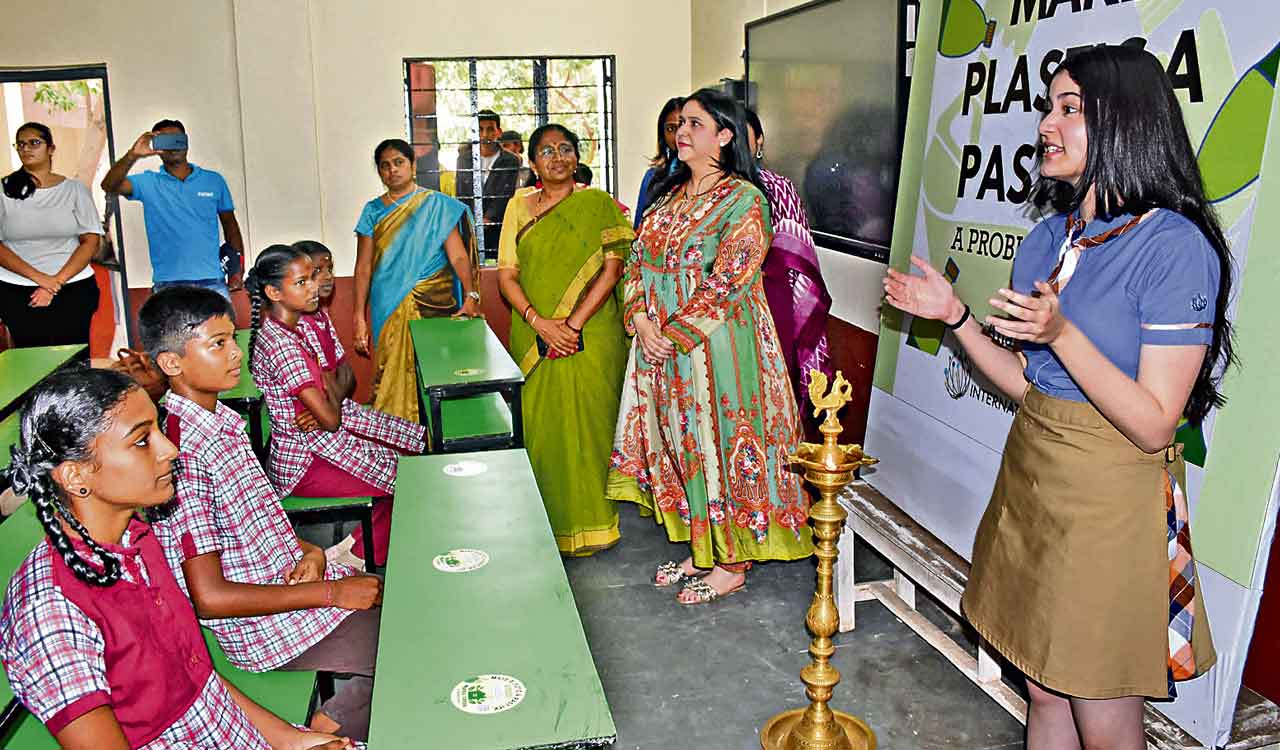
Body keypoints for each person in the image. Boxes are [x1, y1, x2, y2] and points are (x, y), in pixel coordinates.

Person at [884, 46, 1228, 748]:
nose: (1046, 123)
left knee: (1098, 703)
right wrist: (954, 317)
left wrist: (1064, 332)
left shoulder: (1173, 246)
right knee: (1041, 686)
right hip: (1032, 476)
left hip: (1108, 499)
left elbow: (1153, 423)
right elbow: (1025, 381)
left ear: (1125, 123)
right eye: (1048, 106)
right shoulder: (1047, 238)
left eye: (1070, 109)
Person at [0, 367, 356, 750]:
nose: (170, 449)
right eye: (142, 441)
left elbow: (199, 681)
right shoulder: (50, 608)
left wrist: (291, 742)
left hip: (230, 731)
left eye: (159, 430)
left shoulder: (137, 540)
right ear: (75, 476)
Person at [138, 287, 384, 741]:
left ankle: (335, 721)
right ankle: (330, 727)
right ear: (171, 363)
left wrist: (309, 550)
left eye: (234, 338)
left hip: (296, 588)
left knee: (402, 605)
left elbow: (259, 523)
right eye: (218, 343)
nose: (236, 353)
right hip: (267, 629)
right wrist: (332, 592)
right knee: (410, 639)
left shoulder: (223, 423)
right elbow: (209, 596)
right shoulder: (183, 455)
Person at [608, 89, 812, 604]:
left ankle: (733, 561)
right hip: (661, 350)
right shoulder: (669, 198)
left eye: (695, 124)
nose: (681, 132)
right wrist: (639, 320)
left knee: (718, 446)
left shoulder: (744, 199)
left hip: (719, 350)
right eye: (680, 124)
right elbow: (635, 264)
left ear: (725, 136)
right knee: (682, 446)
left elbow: (729, 282)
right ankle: (704, 546)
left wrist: (670, 335)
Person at [497, 124, 634, 556]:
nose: (557, 157)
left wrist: (571, 326)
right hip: (535, 333)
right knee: (543, 428)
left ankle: (595, 523)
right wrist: (540, 322)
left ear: (577, 157)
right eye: (546, 151)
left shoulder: (598, 204)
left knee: (592, 426)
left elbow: (613, 270)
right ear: (533, 162)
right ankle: (546, 524)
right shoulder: (518, 208)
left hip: (591, 334)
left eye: (565, 149)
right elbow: (507, 274)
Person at [246, 244, 426, 569]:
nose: (315, 286)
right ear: (273, 291)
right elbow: (329, 419)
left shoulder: (291, 331)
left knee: (408, 467)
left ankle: (350, 554)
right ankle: (356, 560)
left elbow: (340, 384)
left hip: (321, 443)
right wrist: (328, 398)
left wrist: (328, 394)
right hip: (306, 462)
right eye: (302, 282)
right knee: (412, 482)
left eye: (311, 278)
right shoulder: (282, 343)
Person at [352, 138, 481, 422]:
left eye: (398, 162)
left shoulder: (435, 206)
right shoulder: (373, 211)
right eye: (385, 166)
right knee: (391, 374)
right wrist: (358, 317)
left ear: (412, 166)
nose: (392, 170)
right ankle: (396, 440)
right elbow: (363, 268)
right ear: (379, 172)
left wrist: (472, 296)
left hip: (435, 302)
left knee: (437, 371)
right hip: (389, 305)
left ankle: (439, 440)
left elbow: (459, 257)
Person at [744, 108, 833, 414]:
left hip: (771, 307)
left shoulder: (778, 188)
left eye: (746, 136)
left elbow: (799, 264)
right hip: (718, 313)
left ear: (760, 141)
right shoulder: (707, 191)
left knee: (772, 402)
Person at [100, 119, 244, 299]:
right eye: (165, 141)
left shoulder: (214, 181)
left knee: (222, 328)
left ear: (186, 142)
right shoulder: (148, 182)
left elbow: (230, 225)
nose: (173, 145)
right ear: (157, 147)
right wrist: (132, 155)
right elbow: (109, 185)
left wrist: (237, 270)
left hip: (213, 282)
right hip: (168, 285)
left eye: (177, 139)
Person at [0, 122, 103, 348]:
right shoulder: (3, 190)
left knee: (74, 360)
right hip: (17, 290)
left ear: (51, 148)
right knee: (31, 362)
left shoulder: (74, 190)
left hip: (73, 287)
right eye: (21, 144)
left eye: (34, 142)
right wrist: (41, 279)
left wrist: (54, 283)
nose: (26, 148)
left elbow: (90, 242)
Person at [454, 110, 521, 252]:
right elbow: (461, 194)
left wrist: (488, 219)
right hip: (469, 228)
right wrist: (470, 222)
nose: (485, 135)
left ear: (499, 132)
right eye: (480, 129)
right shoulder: (464, 159)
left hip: (499, 228)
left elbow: (506, 195)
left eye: (490, 129)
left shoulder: (510, 160)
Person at [633, 97, 682, 229]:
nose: (678, 134)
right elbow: (639, 227)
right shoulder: (652, 177)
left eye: (682, 125)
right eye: (670, 129)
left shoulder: (706, 176)